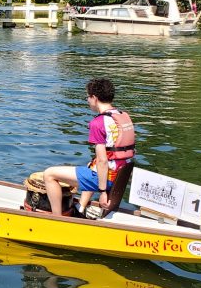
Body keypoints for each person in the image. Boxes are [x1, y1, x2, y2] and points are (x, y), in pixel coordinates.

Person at [42, 78, 135, 217]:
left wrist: (103, 192)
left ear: (94, 98)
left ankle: (57, 219)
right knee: (91, 165)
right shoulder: (122, 116)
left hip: (108, 178)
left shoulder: (98, 123)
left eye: (88, 97)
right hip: (121, 175)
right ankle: (80, 208)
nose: (87, 100)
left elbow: (103, 161)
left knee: (49, 174)